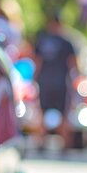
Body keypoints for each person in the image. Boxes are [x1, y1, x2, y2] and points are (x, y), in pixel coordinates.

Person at [33, 13, 77, 150]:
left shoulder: (42, 40)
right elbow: (73, 64)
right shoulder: (66, 41)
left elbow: (36, 62)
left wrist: (34, 78)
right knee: (63, 113)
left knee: (42, 112)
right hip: (61, 82)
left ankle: (41, 142)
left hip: (45, 82)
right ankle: (64, 144)